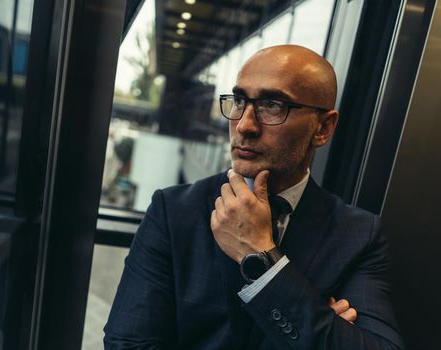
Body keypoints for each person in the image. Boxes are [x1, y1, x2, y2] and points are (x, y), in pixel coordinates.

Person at [104, 45, 404, 349]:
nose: (244, 125)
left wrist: (263, 257)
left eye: (272, 105)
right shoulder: (173, 211)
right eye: (239, 101)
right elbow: (127, 344)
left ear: (323, 128)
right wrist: (317, 327)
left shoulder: (359, 235)